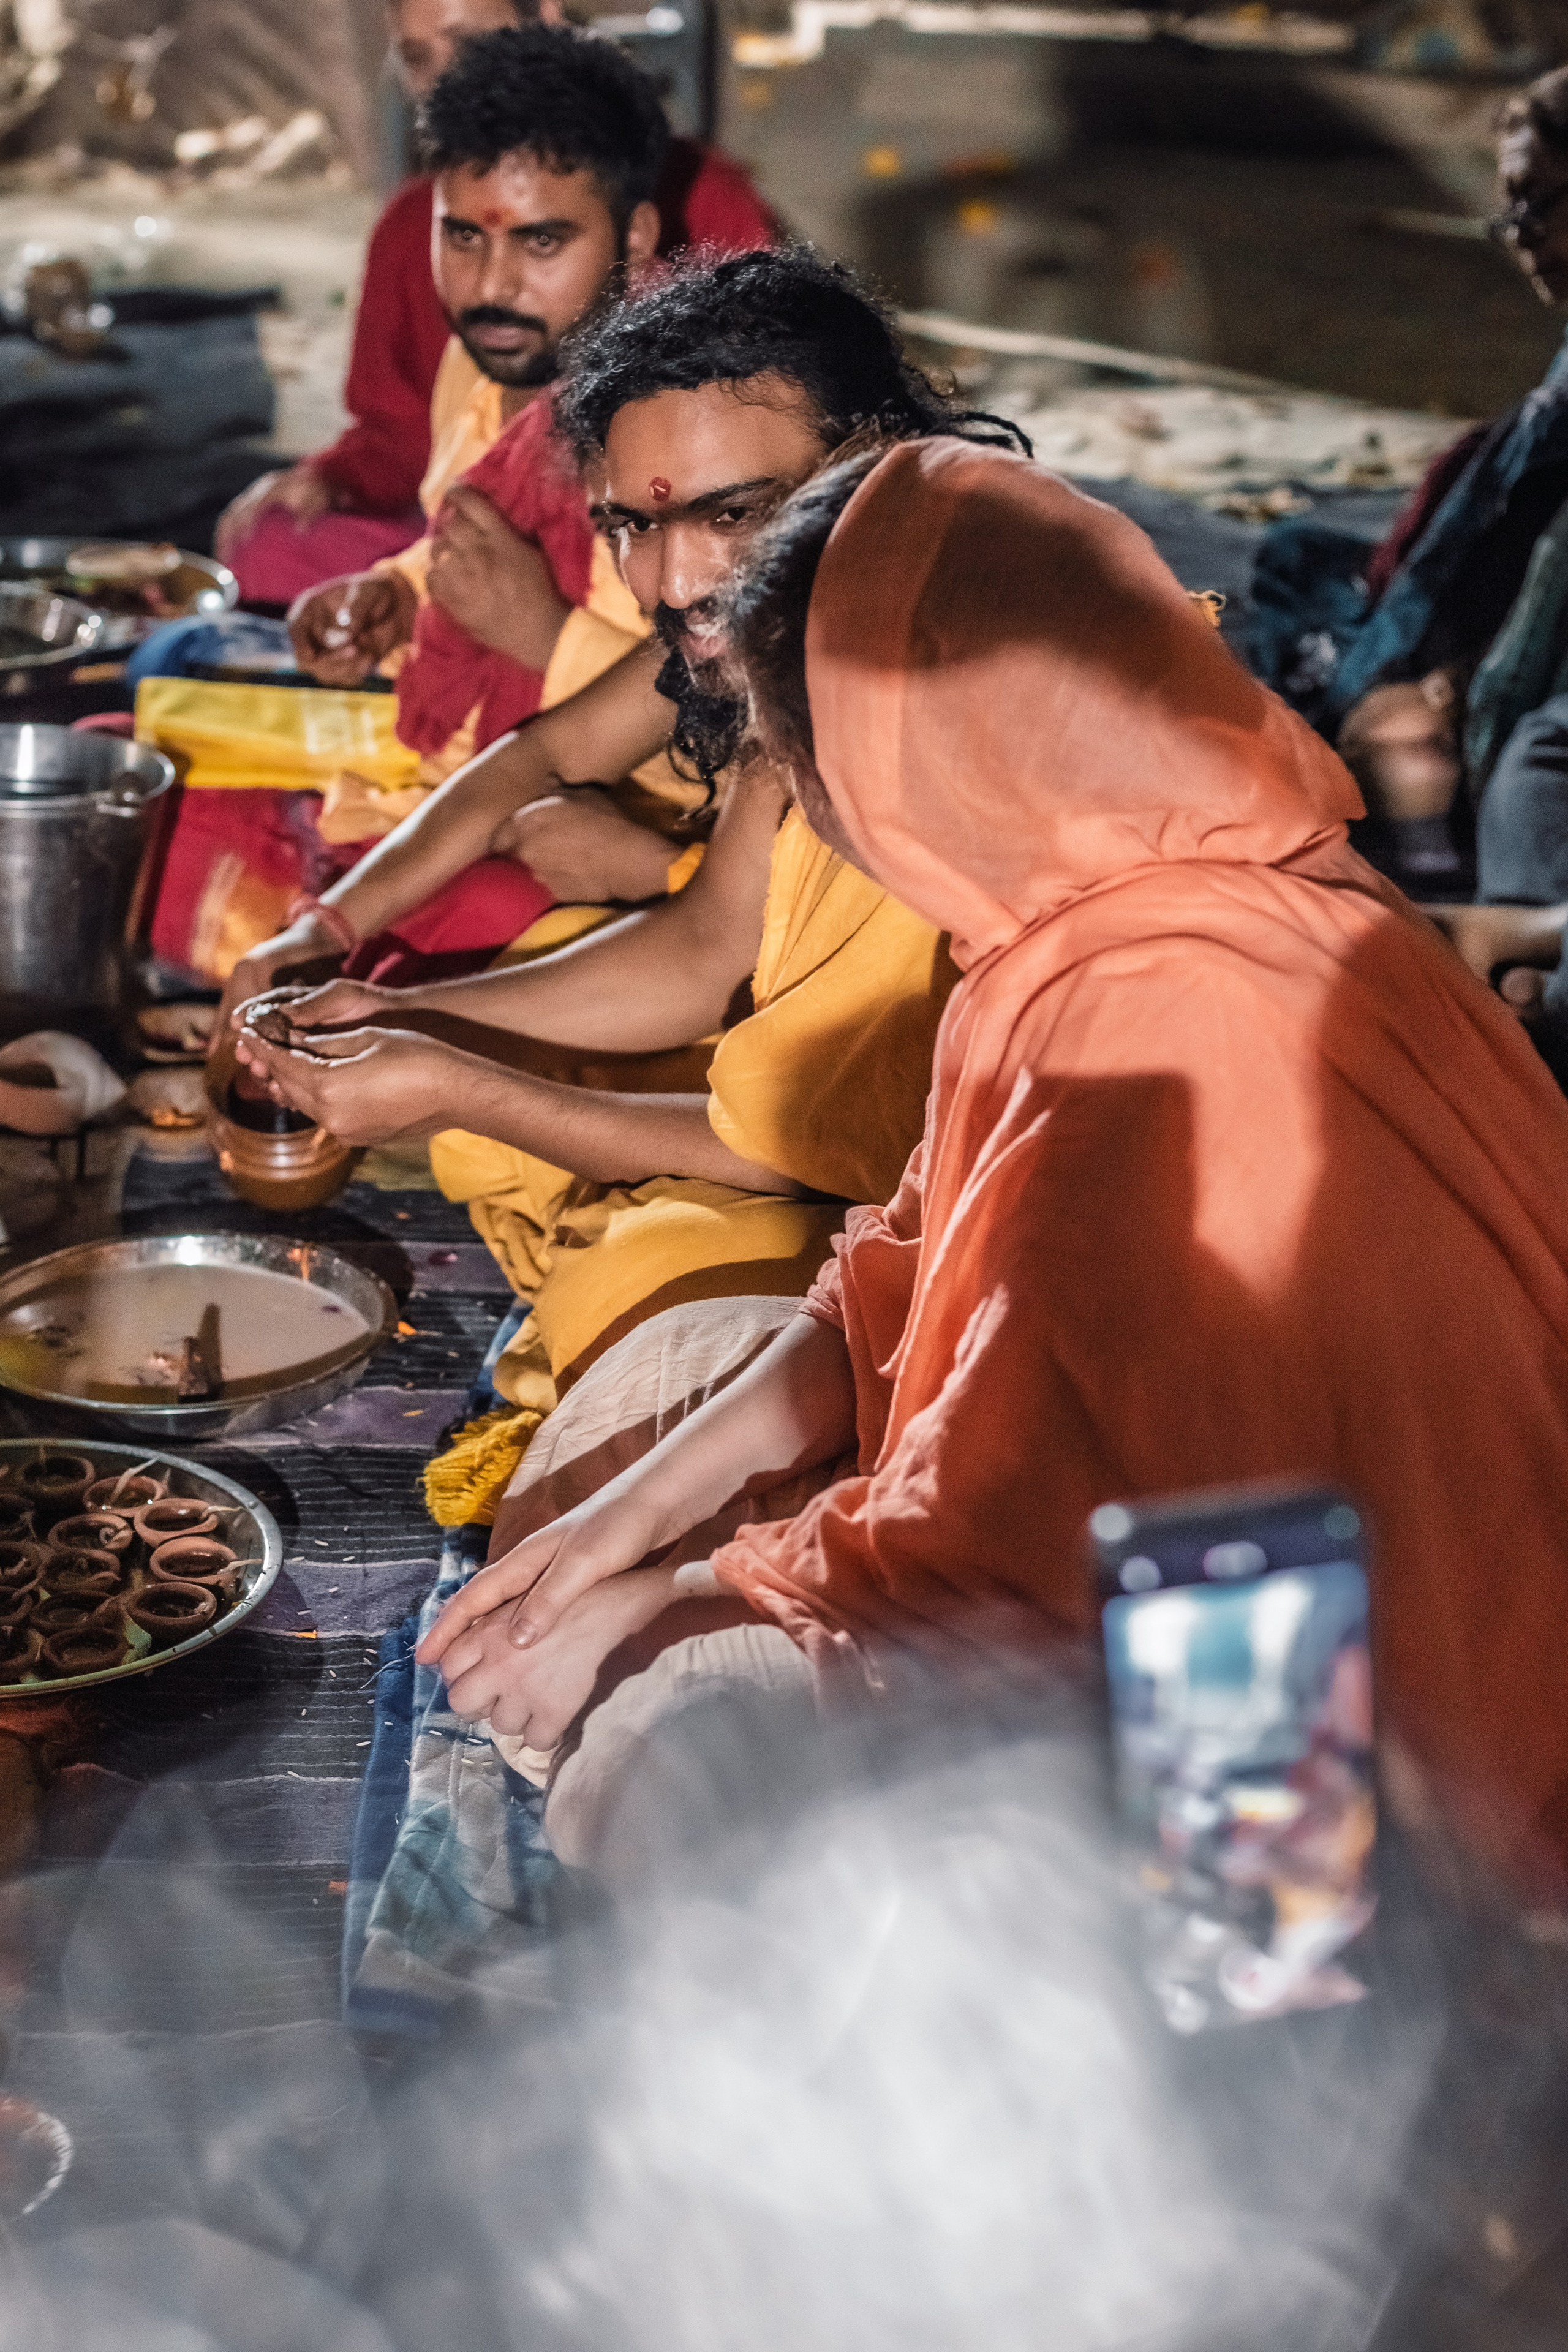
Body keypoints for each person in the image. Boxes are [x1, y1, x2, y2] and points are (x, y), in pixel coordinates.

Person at [416, 434, 1568, 1901]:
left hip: (1328, 1767)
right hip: (1153, 1566)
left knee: (670, 1754)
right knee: (663, 1385)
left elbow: (1016, 1522)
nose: (811, 808)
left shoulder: (1167, 1010)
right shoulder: (1116, 895)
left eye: (803, 762)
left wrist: (664, 1598)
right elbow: (887, 1281)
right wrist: (610, 1531)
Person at [232, 252, 1024, 1507]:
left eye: (732, 513)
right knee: (587, 1169)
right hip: (850, 1137)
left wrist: (459, 1081)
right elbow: (706, 946)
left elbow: (824, 1149)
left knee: (641, 1282)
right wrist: (407, 1016)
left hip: (1032, 1204)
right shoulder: (798, 639)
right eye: (631, 527)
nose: (672, 582)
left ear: (871, 457)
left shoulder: (933, 687)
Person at [150, 24, 704, 989]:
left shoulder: (686, 429)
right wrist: (398, 598)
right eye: (463, 237)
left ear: (636, 237)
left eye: (541, 242)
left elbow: (736, 726)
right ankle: (342, 948)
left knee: (501, 914)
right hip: (441, 780)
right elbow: (447, 537)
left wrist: (544, 637)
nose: (492, 286)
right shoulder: (477, 367)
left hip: (595, 825)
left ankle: (336, 952)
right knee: (125, 782)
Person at [211, 0, 777, 603]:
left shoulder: (699, 205)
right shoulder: (423, 240)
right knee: (268, 544)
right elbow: (403, 439)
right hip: (460, 548)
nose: (491, 286)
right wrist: (336, 492)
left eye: (542, 242)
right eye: (417, 57)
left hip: (621, 585)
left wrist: (535, 626)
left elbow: (759, 439)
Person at [1249, 64, 1568, 894]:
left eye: (1540, 203)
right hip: (1465, 634)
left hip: (1497, 678)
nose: (1522, 236)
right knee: (1295, 556)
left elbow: (1534, 604)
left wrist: (1444, 687)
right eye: (1511, 212)